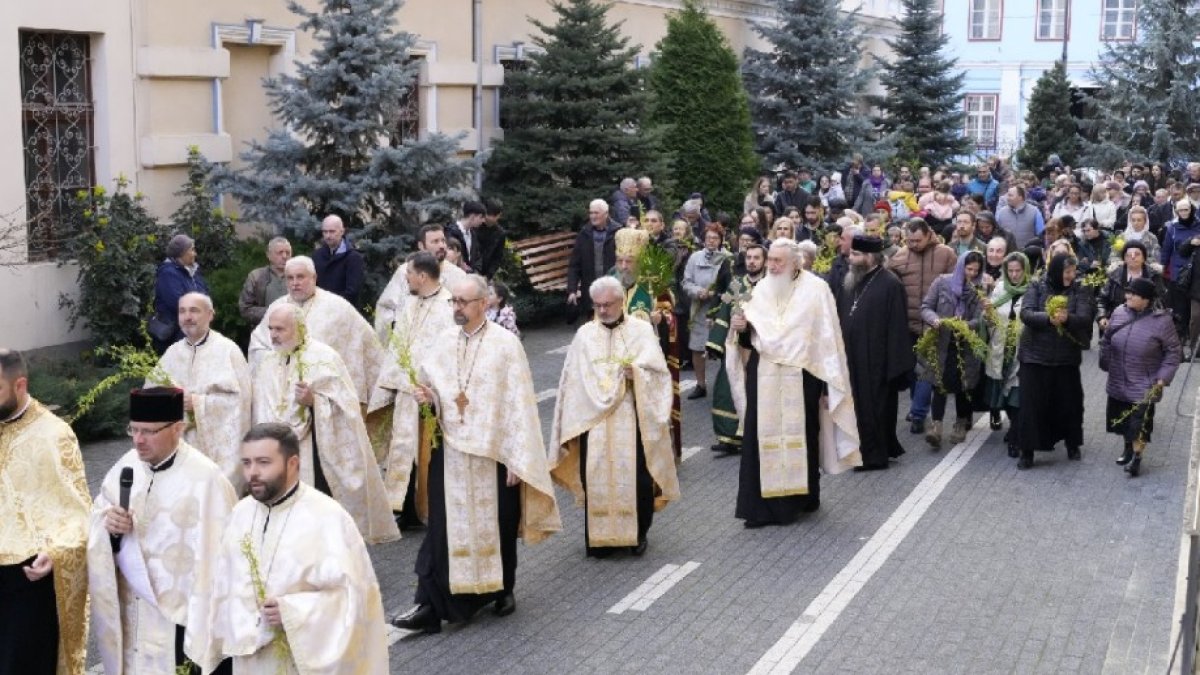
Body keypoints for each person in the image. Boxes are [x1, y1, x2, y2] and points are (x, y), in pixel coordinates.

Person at [393, 276, 561, 632]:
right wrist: (429, 399)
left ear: (484, 304)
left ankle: (502, 590)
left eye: (464, 302)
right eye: (453, 301)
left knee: (498, 522)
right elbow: (433, 387)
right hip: (451, 450)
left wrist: (519, 458)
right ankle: (430, 604)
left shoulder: (505, 346)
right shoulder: (441, 343)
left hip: (493, 454)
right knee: (442, 527)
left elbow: (519, 405)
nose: (456, 308)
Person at [195, 424, 388, 673]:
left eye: (264, 462)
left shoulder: (328, 518)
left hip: (300, 659)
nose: (252, 472)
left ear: (293, 463)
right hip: (249, 661)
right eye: (247, 463)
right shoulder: (241, 513)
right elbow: (222, 584)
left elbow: (354, 599)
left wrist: (292, 612)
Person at [88, 387, 236, 674]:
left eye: (149, 432)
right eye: (134, 430)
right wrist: (110, 527)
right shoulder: (125, 466)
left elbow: (224, 559)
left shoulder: (207, 479)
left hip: (181, 619)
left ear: (178, 429)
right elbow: (98, 518)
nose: (139, 441)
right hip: (135, 613)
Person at [727, 239, 860, 525]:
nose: (772, 266)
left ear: (795, 263)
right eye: (770, 260)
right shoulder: (762, 288)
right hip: (765, 375)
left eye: (778, 261)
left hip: (803, 375)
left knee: (803, 434)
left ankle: (802, 498)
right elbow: (753, 334)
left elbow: (827, 340)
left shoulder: (816, 290)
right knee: (758, 436)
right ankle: (760, 509)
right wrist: (742, 328)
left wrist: (827, 385)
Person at [549, 277, 679, 556]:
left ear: (621, 302)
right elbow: (571, 380)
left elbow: (659, 373)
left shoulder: (642, 331)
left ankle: (637, 534)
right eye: (597, 305)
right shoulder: (585, 334)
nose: (603, 310)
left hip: (631, 415)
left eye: (608, 304)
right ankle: (599, 539)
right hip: (592, 420)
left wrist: (638, 375)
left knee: (637, 478)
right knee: (594, 475)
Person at [254, 302, 399, 543]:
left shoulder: (324, 356)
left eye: (280, 329)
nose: (274, 335)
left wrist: (314, 400)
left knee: (320, 517)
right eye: (271, 329)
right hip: (278, 451)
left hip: (316, 450)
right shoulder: (269, 361)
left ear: (299, 328)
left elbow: (347, 406)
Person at [0, 349, 89, 674]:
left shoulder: (54, 435)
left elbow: (77, 512)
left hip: (26, 577)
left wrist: (57, 552)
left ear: (19, 384)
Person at [368, 251, 456, 530]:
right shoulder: (410, 304)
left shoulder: (447, 308)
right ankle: (406, 509)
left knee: (429, 451)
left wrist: (430, 388)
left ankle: (430, 508)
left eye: (408, 273)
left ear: (422, 275)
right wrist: (392, 382)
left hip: (431, 395)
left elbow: (447, 352)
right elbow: (398, 346)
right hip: (406, 392)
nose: (405, 278)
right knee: (403, 449)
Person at [250, 256, 386, 409]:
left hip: (325, 398)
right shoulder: (276, 308)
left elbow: (368, 344)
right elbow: (257, 346)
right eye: (290, 278)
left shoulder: (338, 307)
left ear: (314, 277)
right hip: (282, 395)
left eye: (300, 277)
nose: (295, 283)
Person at [156, 292, 252, 492]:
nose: (187, 317)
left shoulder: (228, 351)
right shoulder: (171, 354)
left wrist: (198, 403)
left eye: (194, 310)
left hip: (218, 451)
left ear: (210, 314)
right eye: (182, 311)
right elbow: (152, 398)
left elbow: (242, 402)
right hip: (179, 447)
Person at [834, 236, 914, 470]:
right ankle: (856, 451)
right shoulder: (850, 281)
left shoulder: (890, 284)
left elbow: (898, 326)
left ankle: (875, 456)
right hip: (851, 357)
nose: (851, 259)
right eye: (851, 255)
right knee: (854, 407)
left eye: (856, 255)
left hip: (877, 361)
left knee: (875, 408)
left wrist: (895, 366)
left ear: (871, 257)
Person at [1017, 254, 1094, 469]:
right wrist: (1048, 319)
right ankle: (1027, 450)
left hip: (1065, 358)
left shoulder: (1080, 289)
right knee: (1032, 405)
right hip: (1035, 356)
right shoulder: (1037, 286)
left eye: (1072, 272)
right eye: (1066, 272)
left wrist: (1067, 319)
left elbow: (1086, 318)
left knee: (1069, 404)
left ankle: (1072, 443)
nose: (1070, 276)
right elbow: (1026, 313)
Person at [613, 228, 682, 459]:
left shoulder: (654, 284)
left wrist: (660, 319)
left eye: (629, 261)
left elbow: (672, 318)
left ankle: (656, 452)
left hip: (647, 362)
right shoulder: (609, 283)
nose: (623, 266)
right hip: (616, 361)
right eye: (620, 261)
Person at [1101, 278, 1181, 478]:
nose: (1128, 296)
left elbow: (1173, 352)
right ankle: (1128, 449)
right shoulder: (1119, 312)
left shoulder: (1162, 321)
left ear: (1146, 300)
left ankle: (1137, 458)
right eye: (1127, 292)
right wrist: (1106, 360)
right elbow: (1107, 337)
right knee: (1124, 420)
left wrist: (1163, 378)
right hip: (1119, 378)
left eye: (1133, 294)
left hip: (1145, 382)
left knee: (1140, 423)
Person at [887, 218, 957, 434]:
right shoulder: (899, 256)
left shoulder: (946, 254)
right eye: (909, 241)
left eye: (917, 240)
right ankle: (918, 409)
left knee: (927, 369)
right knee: (912, 371)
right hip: (907, 324)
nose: (913, 245)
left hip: (934, 323)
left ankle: (918, 414)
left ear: (928, 235)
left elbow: (956, 286)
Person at [920, 251, 986, 448]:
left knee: (963, 385)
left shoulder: (977, 290)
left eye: (976, 270)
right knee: (939, 383)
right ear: (961, 266)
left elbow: (979, 318)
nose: (972, 274)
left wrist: (966, 325)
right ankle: (936, 425)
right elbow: (925, 307)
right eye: (969, 268)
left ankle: (960, 423)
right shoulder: (942, 282)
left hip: (964, 345)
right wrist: (934, 320)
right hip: (941, 342)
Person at [708, 244, 766, 454]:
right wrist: (714, 343)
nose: (751, 261)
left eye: (756, 258)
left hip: (758, 348)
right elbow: (723, 313)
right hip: (734, 347)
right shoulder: (735, 285)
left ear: (764, 261)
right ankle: (729, 437)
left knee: (753, 391)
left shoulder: (769, 287)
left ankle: (752, 435)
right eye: (749, 257)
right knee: (725, 390)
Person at [375, 223, 468, 341]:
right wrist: (395, 330)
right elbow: (385, 307)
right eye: (435, 242)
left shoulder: (458, 276)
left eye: (443, 241)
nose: (441, 246)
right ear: (421, 246)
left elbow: (466, 312)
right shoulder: (405, 272)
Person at [985, 252, 1031, 456]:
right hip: (1001, 349)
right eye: (1010, 271)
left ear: (1025, 270)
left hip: (1023, 351)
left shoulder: (1033, 290)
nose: (1014, 275)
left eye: (1018, 271)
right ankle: (1014, 429)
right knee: (1003, 394)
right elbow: (990, 319)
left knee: (1017, 396)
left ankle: (1016, 435)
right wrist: (987, 313)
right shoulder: (1000, 288)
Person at [682, 223, 732, 399]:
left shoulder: (728, 259)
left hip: (720, 311)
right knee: (697, 348)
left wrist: (716, 296)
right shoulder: (695, 258)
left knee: (724, 349)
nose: (711, 241)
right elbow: (686, 282)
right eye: (708, 237)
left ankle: (726, 385)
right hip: (700, 309)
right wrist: (698, 292)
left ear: (721, 240)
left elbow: (733, 286)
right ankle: (701, 384)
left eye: (715, 238)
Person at [152, 234, 210, 354]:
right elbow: (177, 303)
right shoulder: (168, 273)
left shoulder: (192, 272)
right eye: (192, 250)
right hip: (174, 335)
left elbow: (206, 295)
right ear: (181, 253)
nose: (195, 254)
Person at [566, 199, 621, 321]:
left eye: (596, 213)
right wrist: (572, 290)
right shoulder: (584, 234)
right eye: (591, 213)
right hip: (591, 290)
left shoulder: (618, 232)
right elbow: (574, 265)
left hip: (613, 288)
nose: (593, 216)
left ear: (606, 214)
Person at [1098, 240, 1165, 331]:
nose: (1133, 257)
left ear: (1144, 258)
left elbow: (1160, 300)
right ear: (1124, 258)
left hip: (1146, 321)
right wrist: (1102, 316)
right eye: (1128, 255)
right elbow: (1102, 299)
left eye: (1137, 254)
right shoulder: (1114, 275)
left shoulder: (1154, 276)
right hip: (1117, 321)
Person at [1161, 199, 1200, 347]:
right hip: (1178, 271)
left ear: (1192, 210)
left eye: (1186, 209)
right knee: (1180, 307)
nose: (1183, 213)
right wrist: (1162, 265)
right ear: (1176, 212)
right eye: (1180, 210)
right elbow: (1167, 248)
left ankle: (1193, 338)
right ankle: (1181, 337)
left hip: (1196, 271)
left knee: (1194, 310)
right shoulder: (1173, 227)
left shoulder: (1198, 225)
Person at [312, 214, 366, 305]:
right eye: (325, 232)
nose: (328, 236)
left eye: (332, 231)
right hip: (319, 311)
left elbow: (352, 292)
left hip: (343, 312)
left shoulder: (353, 258)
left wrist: (328, 303)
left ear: (342, 231)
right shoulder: (317, 256)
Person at [238, 237, 292, 325]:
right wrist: (273, 312)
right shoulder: (256, 276)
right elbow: (245, 308)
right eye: (280, 253)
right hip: (264, 331)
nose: (284, 256)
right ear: (269, 255)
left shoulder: (299, 276)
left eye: (288, 253)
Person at [443, 201, 487, 274]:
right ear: (472, 216)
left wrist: (474, 272)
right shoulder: (451, 232)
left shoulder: (473, 234)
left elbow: (477, 257)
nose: (483, 221)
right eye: (481, 217)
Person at [476, 198, 509, 279]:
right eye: (488, 214)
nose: (490, 218)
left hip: (485, 274)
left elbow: (497, 258)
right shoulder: (475, 227)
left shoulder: (500, 234)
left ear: (499, 216)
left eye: (494, 216)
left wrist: (488, 276)